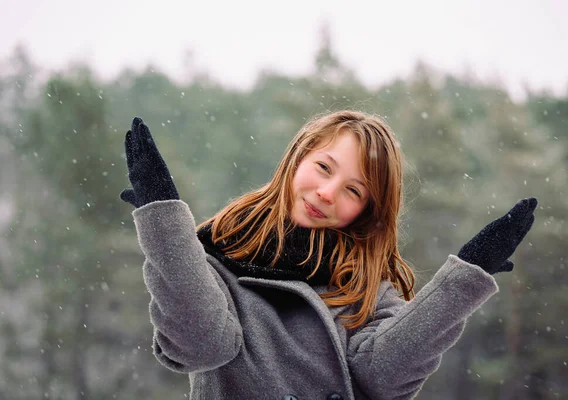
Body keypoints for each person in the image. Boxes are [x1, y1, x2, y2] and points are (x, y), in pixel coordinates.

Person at [120, 111, 537, 400]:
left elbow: (385, 377)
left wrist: (465, 279)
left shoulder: (366, 287)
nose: (327, 193)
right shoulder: (210, 256)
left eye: (353, 190)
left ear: (366, 211)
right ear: (297, 158)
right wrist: (164, 221)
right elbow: (202, 346)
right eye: (324, 167)